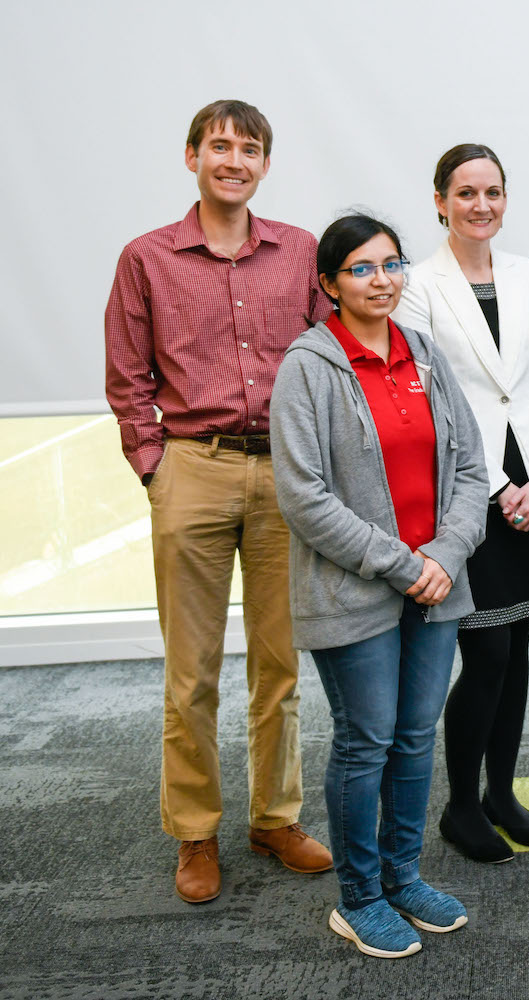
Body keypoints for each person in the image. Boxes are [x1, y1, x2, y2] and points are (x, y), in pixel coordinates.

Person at [103, 99, 332, 904]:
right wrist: (154, 466)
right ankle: (194, 834)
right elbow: (127, 375)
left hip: (283, 477)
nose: (234, 160)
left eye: (250, 149)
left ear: (266, 164)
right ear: (193, 155)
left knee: (280, 665)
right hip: (191, 469)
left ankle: (275, 816)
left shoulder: (301, 251)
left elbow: (328, 356)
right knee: (190, 673)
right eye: (220, 146)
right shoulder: (147, 258)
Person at [270, 214, 488, 958]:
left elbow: (469, 471)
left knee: (414, 736)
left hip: (437, 585)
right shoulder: (308, 366)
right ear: (329, 284)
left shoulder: (424, 354)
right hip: (357, 590)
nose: (382, 279)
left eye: (391, 264)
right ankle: (358, 897)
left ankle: (402, 875)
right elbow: (303, 496)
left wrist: (446, 555)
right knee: (365, 741)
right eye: (362, 269)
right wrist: (405, 564)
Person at [394, 144, 529, 864]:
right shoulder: (417, 285)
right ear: (440, 201)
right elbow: (435, 394)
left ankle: (503, 790)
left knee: (520, 644)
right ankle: (461, 806)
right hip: (471, 487)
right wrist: (500, 486)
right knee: (487, 648)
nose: (480, 204)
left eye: (492, 192)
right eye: (465, 192)